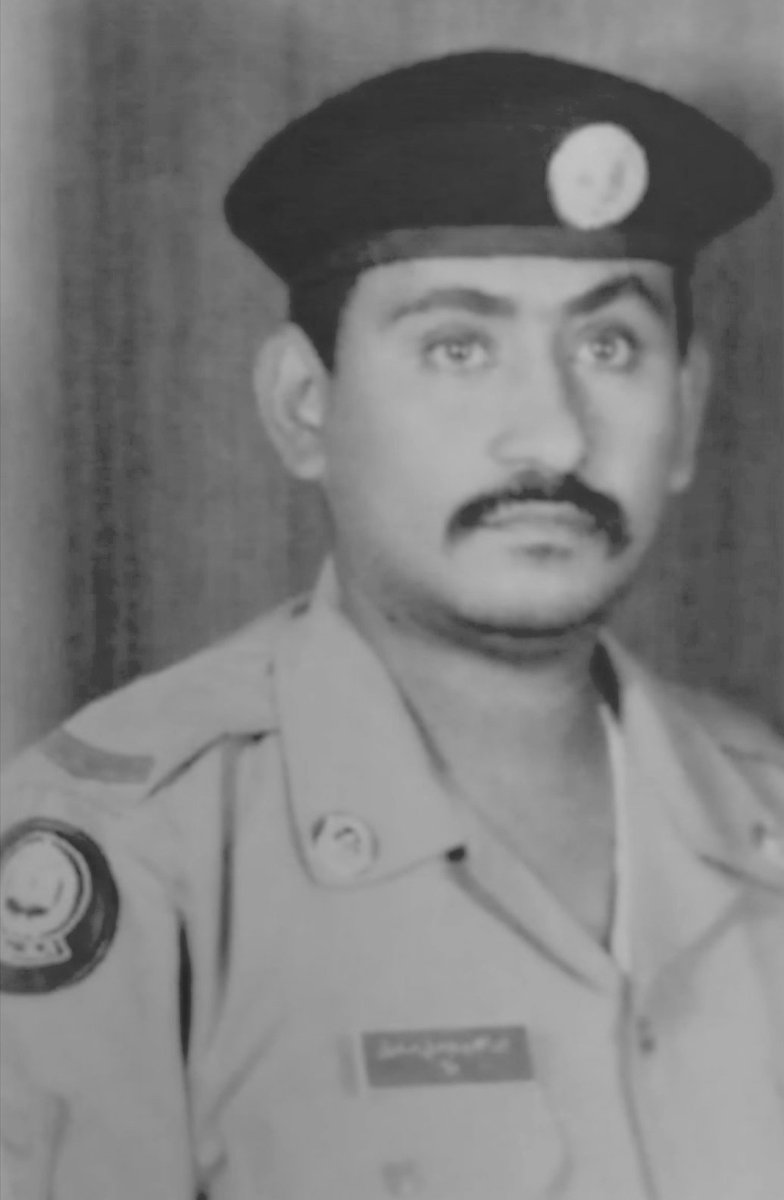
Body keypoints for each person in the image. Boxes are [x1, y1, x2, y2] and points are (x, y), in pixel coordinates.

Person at [1, 48, 782, 1200]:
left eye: (607, 346)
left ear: (687, 407)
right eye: (457, 347)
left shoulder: (765, 813)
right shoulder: (128, 856)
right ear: (302, 406)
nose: (553, 435)